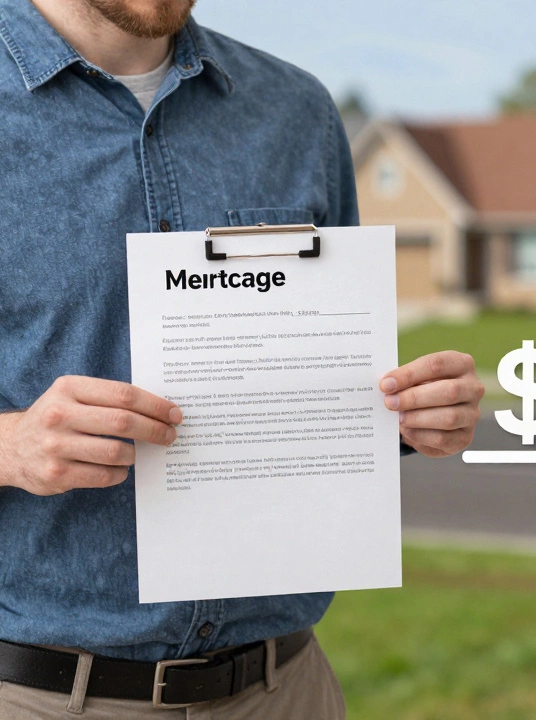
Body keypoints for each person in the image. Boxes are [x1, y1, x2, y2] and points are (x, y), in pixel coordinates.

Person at [0, 0, 484, 716]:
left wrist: (404, 417)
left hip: (285, 687)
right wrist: (10, 446)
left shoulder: (296, 112)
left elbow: (323, 379)